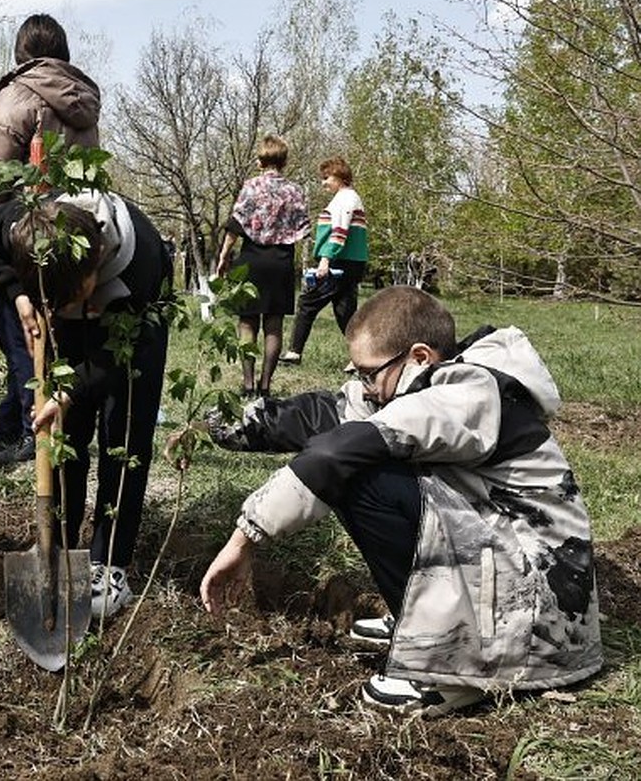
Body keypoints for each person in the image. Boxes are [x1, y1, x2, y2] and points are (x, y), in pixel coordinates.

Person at [195, 286, 601, 716]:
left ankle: (451, 666)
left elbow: (337, 452)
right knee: (361, 457)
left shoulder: (467, 394)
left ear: (419, 357)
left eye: (369, 373)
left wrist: (244, 540)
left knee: (360, 474)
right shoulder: (426, 385)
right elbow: (327, 414)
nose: (364, 387)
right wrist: (217, 423)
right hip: (510, 582)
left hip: (540, 628)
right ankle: (424, 616)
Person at [0, 191, 172, 620]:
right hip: (76, 314)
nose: (62, 310)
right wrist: (20, 295)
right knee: (67, 437)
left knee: (124, 438)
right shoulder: (18, 226)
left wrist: (68, 392)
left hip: (133, 329)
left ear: (95, 260)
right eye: (55, 302)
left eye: (71, 299)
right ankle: (60, 546)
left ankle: (110, 563)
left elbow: (110, 360)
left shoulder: (139, 262)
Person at [0, 14, 101, 466]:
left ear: (22, 52)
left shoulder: (17, 96)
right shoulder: (83, 99)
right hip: (68, 234)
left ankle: (27, 430)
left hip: (22, 232)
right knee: (48, 334)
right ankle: (9, 421)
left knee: (20, 335)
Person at [213, 135, 308, 398]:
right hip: (281, 261)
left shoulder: (251, 186)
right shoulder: (295, 191)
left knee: (247, 323)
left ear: (260, 161)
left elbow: (235, 224)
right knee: (274, 326)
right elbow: (303, 229)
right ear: (284, 161)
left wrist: (223, 256)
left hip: (252, 258)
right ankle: (266, 385)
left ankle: (247, 384)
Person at [280, 156, 367, 365]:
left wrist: (325, 260)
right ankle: (361, 358)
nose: (323, 182)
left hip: (339, 262)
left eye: (326, 177)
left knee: (307, 303)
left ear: (339, 177)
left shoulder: (345, 199)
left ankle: (294, 353)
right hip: (351, 261)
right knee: (344, 311)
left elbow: (340, 231)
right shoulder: (349, 197)